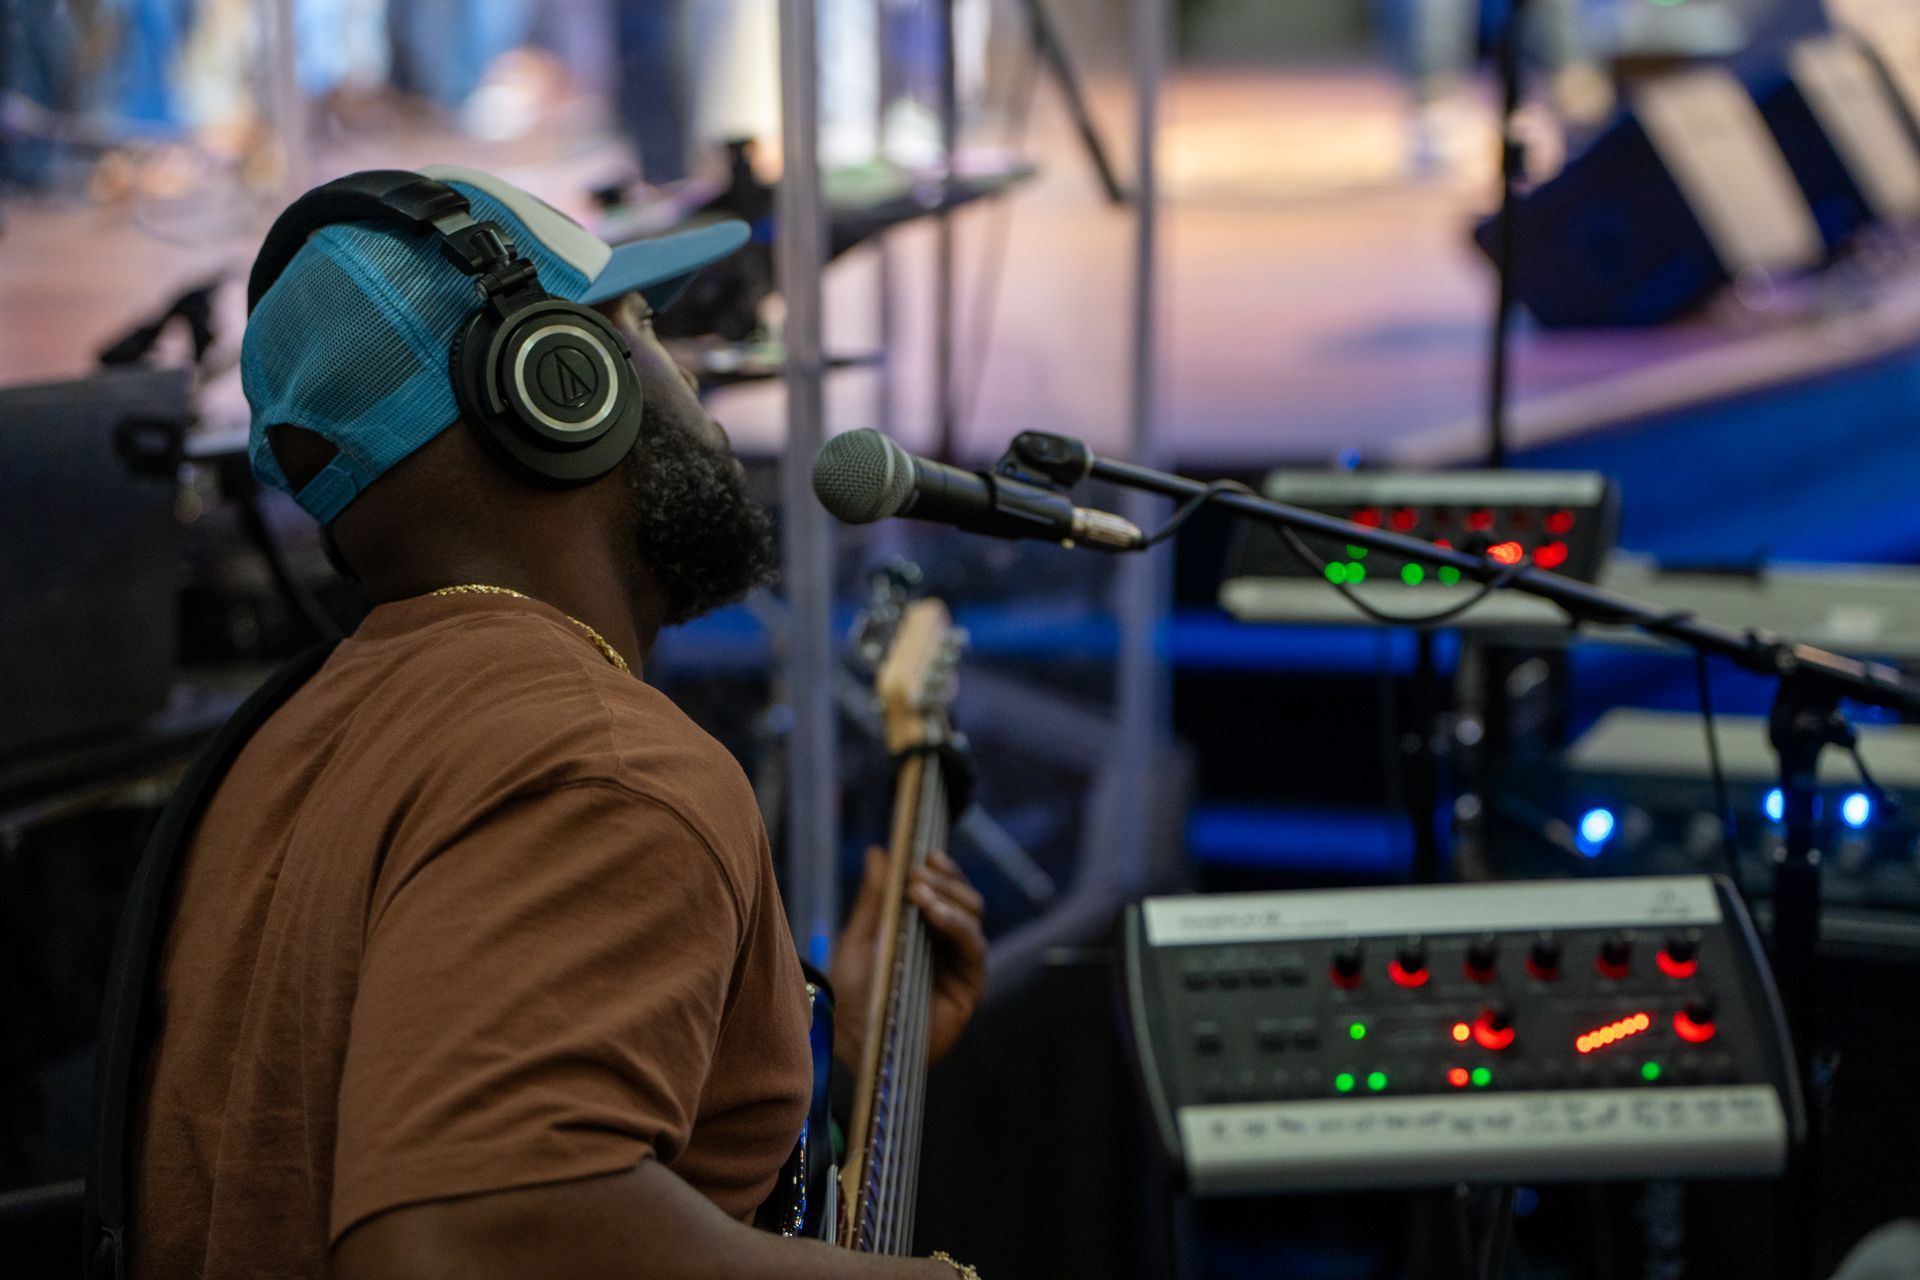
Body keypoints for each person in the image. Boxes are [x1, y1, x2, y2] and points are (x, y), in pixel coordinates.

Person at [131, 166, 988, 1280]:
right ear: (561, 383)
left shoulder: (293, 735)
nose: (692, 381)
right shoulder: (602, 765)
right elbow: (464, 1235)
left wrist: (844, 1054)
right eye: (644, 328)